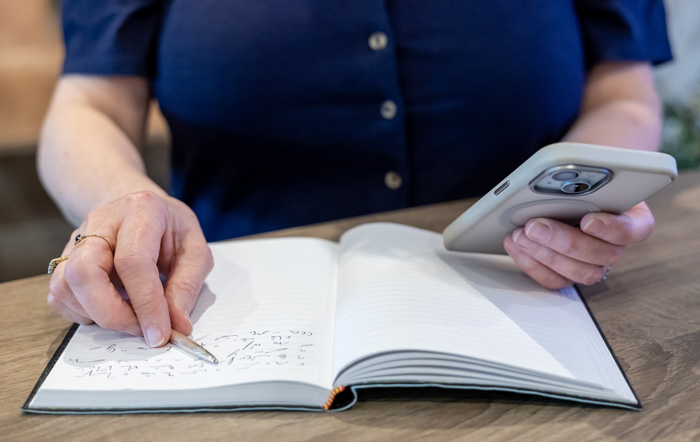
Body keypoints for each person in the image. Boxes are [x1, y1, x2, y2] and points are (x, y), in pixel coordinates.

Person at [38, 0, 673, 348]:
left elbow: (625, 95)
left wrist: (584, 192)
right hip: (224, 299)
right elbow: (89, 105)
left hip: (530, 292)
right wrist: (126, 201)